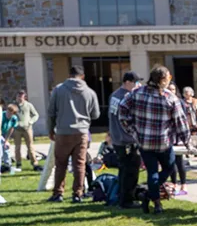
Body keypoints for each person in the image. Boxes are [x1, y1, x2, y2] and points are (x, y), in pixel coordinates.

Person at [119, 65, 190, 214]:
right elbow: (180, 122)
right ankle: (150, 195)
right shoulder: (170, 98)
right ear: (163, 79)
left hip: (144, 141)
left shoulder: (136, 93)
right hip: (163, 142)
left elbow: (122, 110)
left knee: (152, 172)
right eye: (169, 77)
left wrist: (132, 131)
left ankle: (155, 202)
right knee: (169, 168)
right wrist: (187, 141)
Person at [47, 65, 100, 203]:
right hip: (81, 131)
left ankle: (58, 193)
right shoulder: (89, 92)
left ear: (69, 75)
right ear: (82, 76)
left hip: (63, 131)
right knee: (80, 164)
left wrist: (51, 129)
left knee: (61, 164)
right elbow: (96, 114)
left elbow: (51, 112)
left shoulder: (58, 90)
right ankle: (78, 193)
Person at [109, 71, 143, 208]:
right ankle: (127, 200)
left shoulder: (114, 95)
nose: (137, 86)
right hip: (127, 140)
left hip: (117, 139)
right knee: (131, 171)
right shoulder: (126, 97)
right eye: (135, 83)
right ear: (127, 82)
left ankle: (121, 197)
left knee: (123, 170)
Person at [12, 90, 41, 171]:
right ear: (16, 96)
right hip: (17, 130)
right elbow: (9, 115)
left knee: (30, 146)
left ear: (24, 97)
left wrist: (31, 121)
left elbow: (36, 115)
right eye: (19, 96)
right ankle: (18, 164)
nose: (20, 98)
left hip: (27, 129)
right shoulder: (13, 105)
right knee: (17, 147)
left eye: (22, 96)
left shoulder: (28, 105)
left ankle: (34, 163)